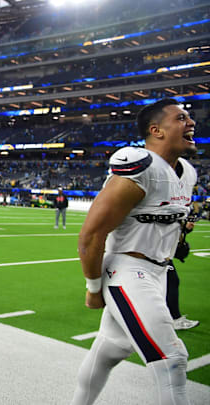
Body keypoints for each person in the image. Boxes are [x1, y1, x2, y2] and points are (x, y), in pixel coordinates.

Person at [72, 99, 197, 405]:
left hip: (159, 271)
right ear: (156, 130)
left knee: (111, 349)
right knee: (172, 359)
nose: (191, 122)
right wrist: (93, 287)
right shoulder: (140, 167)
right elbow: (91, 234)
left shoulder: (188, 172)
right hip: (127, 269)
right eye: (181, 118)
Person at [166, 219, 199, 330]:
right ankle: (175, 319)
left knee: (169, 282)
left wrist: (185, 228)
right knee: (172, 282)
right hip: (156, 253)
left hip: (160, 252)